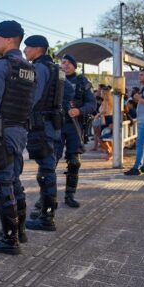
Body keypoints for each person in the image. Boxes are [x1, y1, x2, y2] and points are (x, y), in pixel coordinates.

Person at [0, 20, 36, 255]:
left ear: (7, 39)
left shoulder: (2, 66)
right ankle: (20, 231)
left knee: (2, 185)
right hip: (20, 132)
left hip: (1, 133)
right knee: (14, 181)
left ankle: (9, 240)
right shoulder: (28, 67)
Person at [22, 35, 64, 232]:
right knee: (47, 169)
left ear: (37, 49)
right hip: (53, 122)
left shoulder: (39, 68)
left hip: (42, 124)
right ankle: (45, 212)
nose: (24, 51)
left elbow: (32, 97)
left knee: (46, 172)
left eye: (27, 48)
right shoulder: (56, 68)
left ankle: (47, 218)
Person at [55, 54, 96, 207]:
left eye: (67, 63)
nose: (64, 65)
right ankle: (46, 197)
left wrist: (79, 110)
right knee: (50, 162)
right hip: (57, 125)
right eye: (62, 63)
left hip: (74, 126)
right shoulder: (56, 79)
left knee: (74, 162)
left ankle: (69, 195)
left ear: (74, 65)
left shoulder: (82, 82)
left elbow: (92, 105)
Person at [124, 69, 144, 176]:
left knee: (140, 143)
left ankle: (136, 167)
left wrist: (139, 98)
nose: (140, 77)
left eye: (142, 75)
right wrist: (139, 98)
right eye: (139, 75)